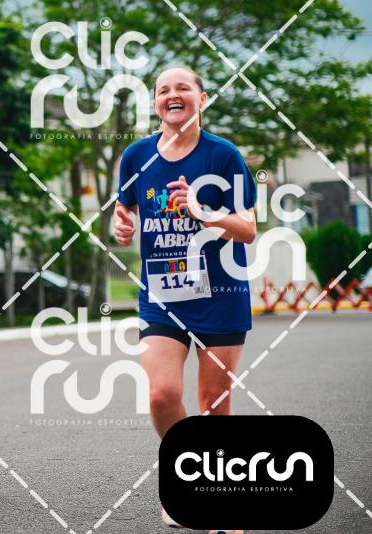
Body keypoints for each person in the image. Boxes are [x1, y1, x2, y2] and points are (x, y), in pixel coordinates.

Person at [114, 66, 255, 533]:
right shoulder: (136, 156)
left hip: (221, 294)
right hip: (162, 296)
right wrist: (122, 225)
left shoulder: (223, 155)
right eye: (163, 90)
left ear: (202, 98)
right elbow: (125, 209)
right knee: (162, 396)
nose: (172, 95)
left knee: (213, 403)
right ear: (155, 102)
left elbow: (248, 228)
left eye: (183, 88)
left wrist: (203, 211)